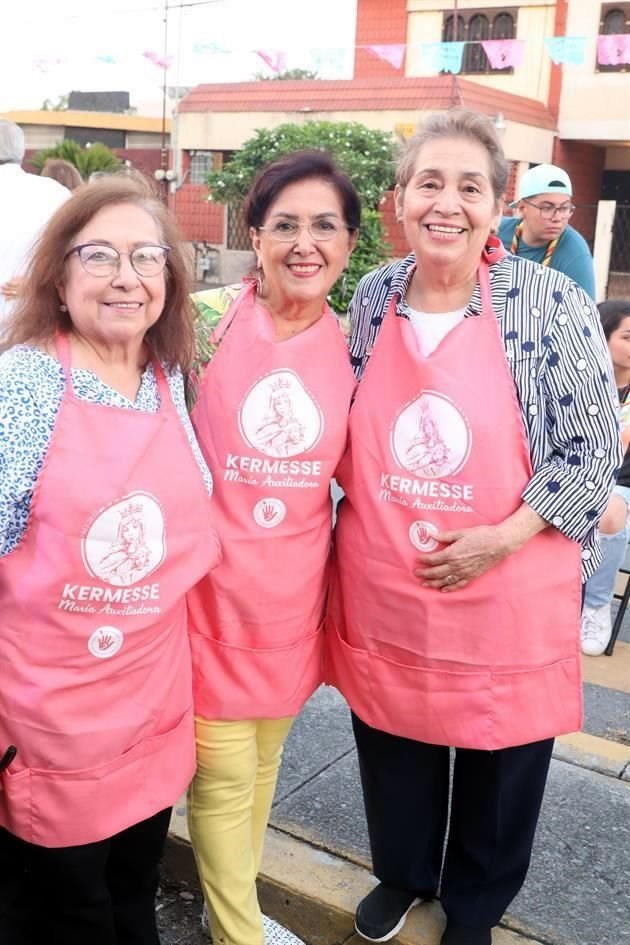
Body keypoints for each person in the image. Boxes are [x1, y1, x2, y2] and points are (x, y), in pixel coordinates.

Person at [325, 109, 621, 945]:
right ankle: (405, 872)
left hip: (510, 569)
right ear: (399, 201)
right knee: (393, 737)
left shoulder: (549, 301)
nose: (446, 203)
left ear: (497, 206)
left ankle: (476, 906)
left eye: (469, 186)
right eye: (429, 182)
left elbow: (593, 442)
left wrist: (502, 534)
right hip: (392, 570)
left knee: (501, 754)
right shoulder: (377, 295)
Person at [0, 175, 221, 945]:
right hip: (51, 723)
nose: (126, 277)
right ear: (59, 279)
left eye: (145, 257)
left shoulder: (167, 379)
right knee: (68, 912)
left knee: (134, 892)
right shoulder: (25, 382)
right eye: (99, 256)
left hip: (150, 712)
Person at [185, 150, 359, 945]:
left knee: (261, 769)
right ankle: (238, 935)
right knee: (221, 777)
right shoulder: (200, 321)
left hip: (293, 603)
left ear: (350, 244)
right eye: (284, 224)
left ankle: (242, 912)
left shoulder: (358, 349)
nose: (303, 242)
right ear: (254, 235)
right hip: (203, 596)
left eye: (324, 225)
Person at [581, 299, 630, 656]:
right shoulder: (577, 381)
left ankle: (596, 606)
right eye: (627, 337)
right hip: (573, 478)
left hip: (620, 489)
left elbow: (614, 451)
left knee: (609, 507)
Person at [0, 119, 69, 321]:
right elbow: (79, 251)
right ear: (22, 151)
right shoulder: (55, 193)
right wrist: (40, 282)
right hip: (31, 323)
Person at [498, 163, 595, 298]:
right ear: (522, 208)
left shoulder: (575, 253)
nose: (557, 218)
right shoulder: (496, 231)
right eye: (547, 208)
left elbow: (585, 314)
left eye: (564, 208)